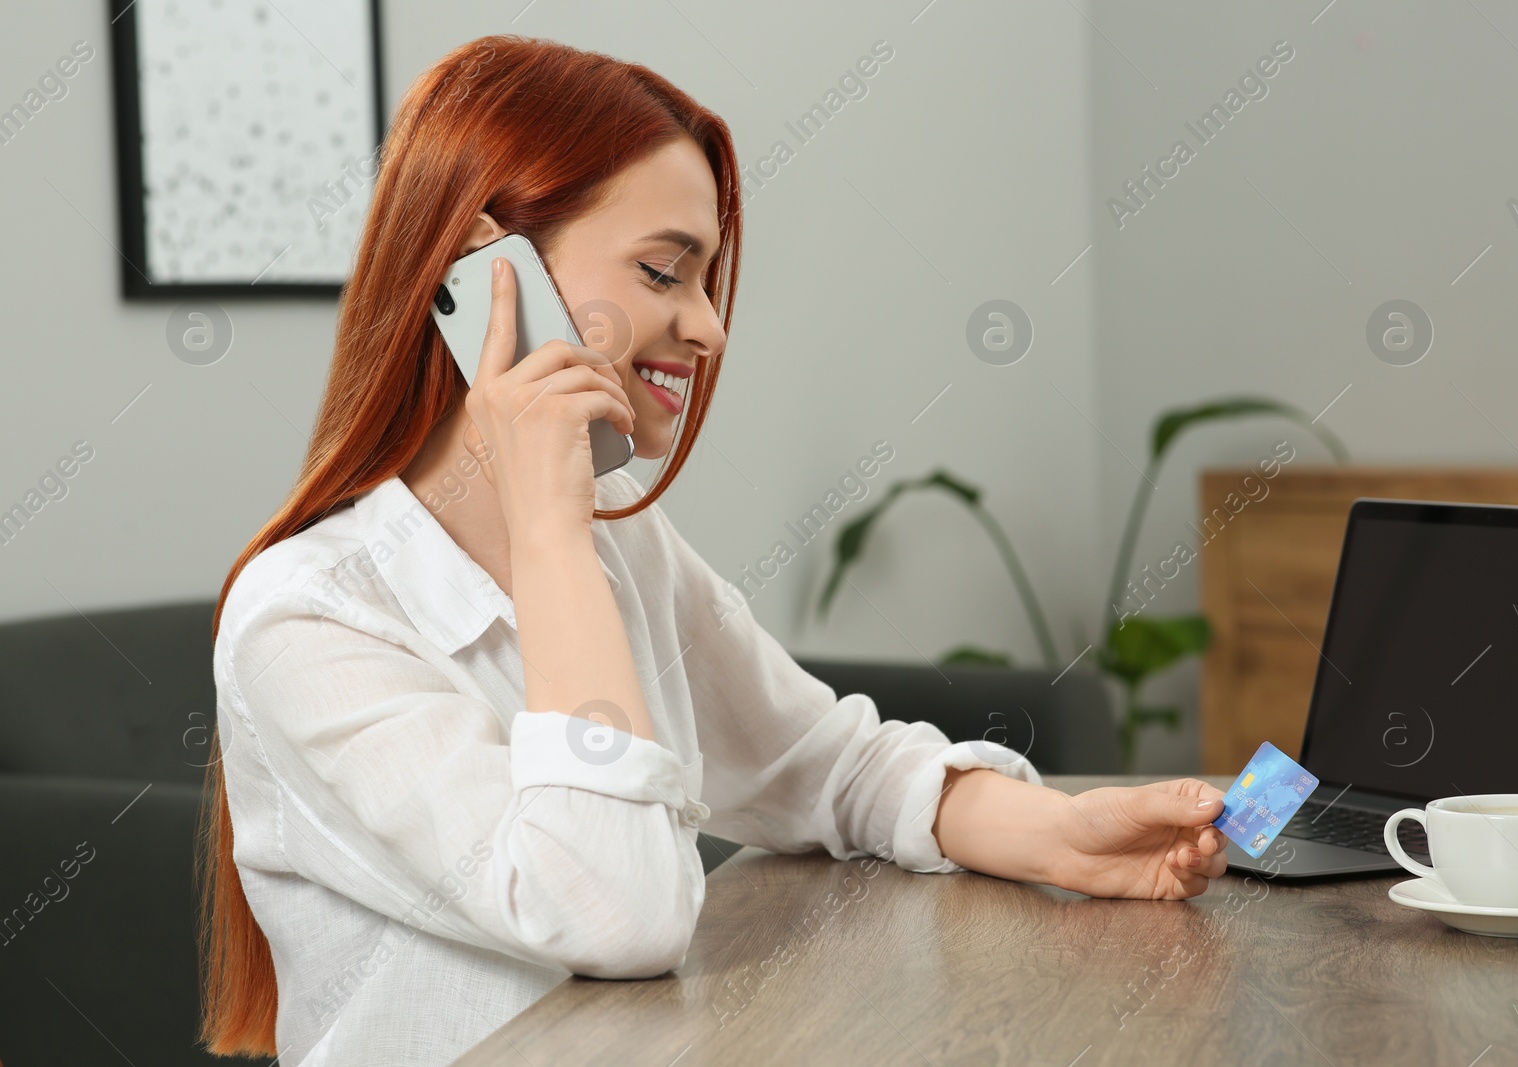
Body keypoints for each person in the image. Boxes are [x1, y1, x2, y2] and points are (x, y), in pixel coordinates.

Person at [195, 35, 1229, 1067]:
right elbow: (610, 910)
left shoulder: (623, 535)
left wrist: (1061, 834)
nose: (707, 327)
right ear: (479, 263)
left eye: (707, 280)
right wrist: (551, 527)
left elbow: (828, 765)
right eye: (663, 271)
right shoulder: (308, 620)